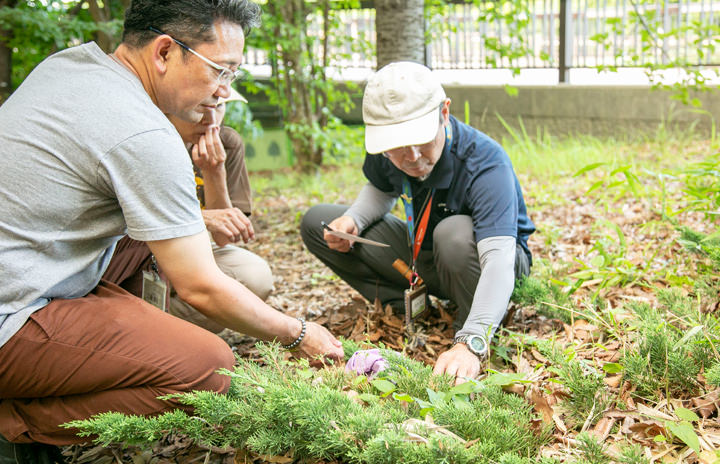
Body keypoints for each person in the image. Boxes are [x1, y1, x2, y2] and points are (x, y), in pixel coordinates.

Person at [0, 0, 343, 457]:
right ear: (164, 52)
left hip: (26, 265)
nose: (225, 91)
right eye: (221, 71)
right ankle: (14, 423)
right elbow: (200, 287)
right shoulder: (143, 135)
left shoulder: (69, 67)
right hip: (13, 312)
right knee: (209, 368)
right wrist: (299, 333)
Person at [301, 61, 535, 385]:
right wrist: (353, 219)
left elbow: (499, 259)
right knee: (318, 222)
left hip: (494, 264)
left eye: (420, 139)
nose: (411, 156)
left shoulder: (486, 162)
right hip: (428, 256)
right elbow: (382, 189)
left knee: (453, 233)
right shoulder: (388, 152)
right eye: (397, 146)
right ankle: (406, 308)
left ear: (444, 113)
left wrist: (474, 341)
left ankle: (473, 326)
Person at [105, 89, 274, 334]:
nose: (212, 120)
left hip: (194, 246)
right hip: (138, 246)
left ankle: (161, 328)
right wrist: (202, 218)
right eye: (201, 107)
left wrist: (214, 171)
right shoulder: (145, 141)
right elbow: (131, 221)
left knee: (254, 277)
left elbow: (224, 237)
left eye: (218, 106)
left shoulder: (226, 141)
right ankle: (126, 325)